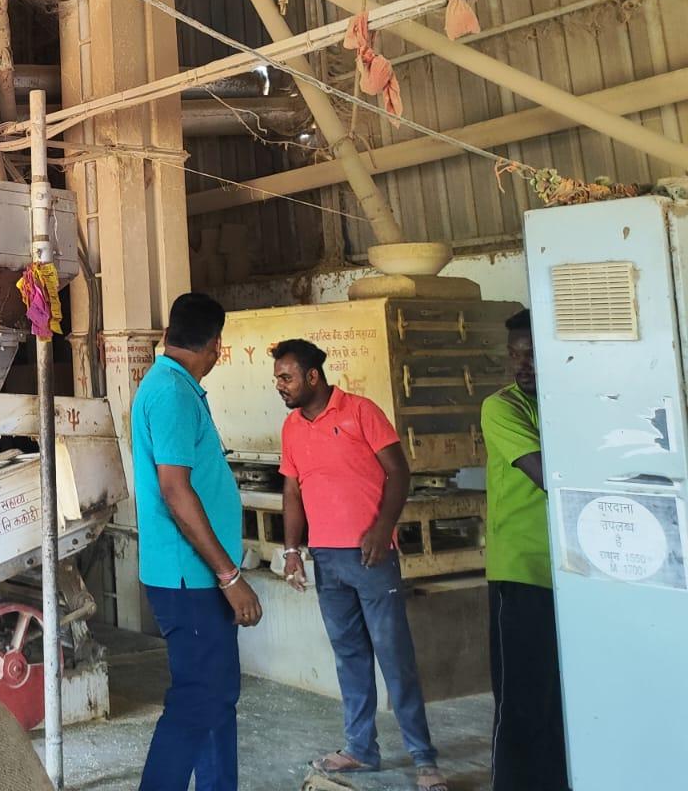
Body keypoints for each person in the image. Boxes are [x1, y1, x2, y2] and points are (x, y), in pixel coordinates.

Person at [274, 338, 446, 791]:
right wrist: (293, 551)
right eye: (277, 377)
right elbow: (292, 492)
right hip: (327, 560)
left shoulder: (360, 411)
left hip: (371, 556)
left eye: (286, 376)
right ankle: (360, 749)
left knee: (395, 657)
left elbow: (398, 471)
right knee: (349, 656)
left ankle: (424, 759)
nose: (280, 385)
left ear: (313, 376)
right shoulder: (292, 428)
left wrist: (381, 527)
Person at [132, 292, 258, 791]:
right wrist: (230, 576)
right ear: (215, 346)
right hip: (191, 577)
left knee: (215, 696)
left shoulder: (172, 386)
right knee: (196, 701)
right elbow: (175, 490)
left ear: (168, 334)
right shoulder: (172, 393)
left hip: (191, 575)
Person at [481, 310, 568, 791]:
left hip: (569, 576)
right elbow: (551, 478)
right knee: (520, 701)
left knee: (560, 697)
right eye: (515, 354)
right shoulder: (502, 408)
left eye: (531, 353)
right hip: (521, 573)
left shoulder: (568, 405)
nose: (522, 364)